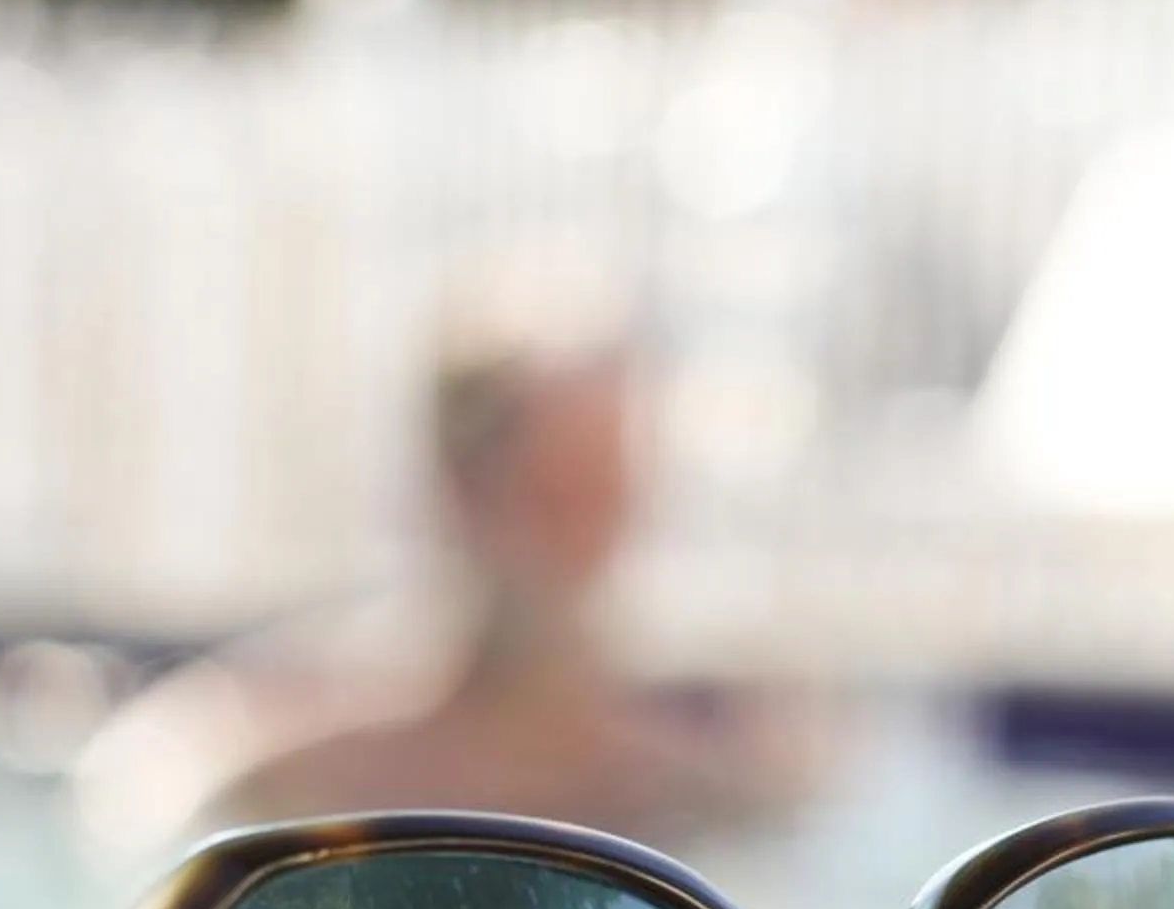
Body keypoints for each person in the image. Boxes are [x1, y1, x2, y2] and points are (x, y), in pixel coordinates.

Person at [75, 327, 811, 849]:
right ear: (460, 489)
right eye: (552, 491)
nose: (580, 536)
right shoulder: (306, 743)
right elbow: (140, 795)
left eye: (605, 491)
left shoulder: (694, 771)